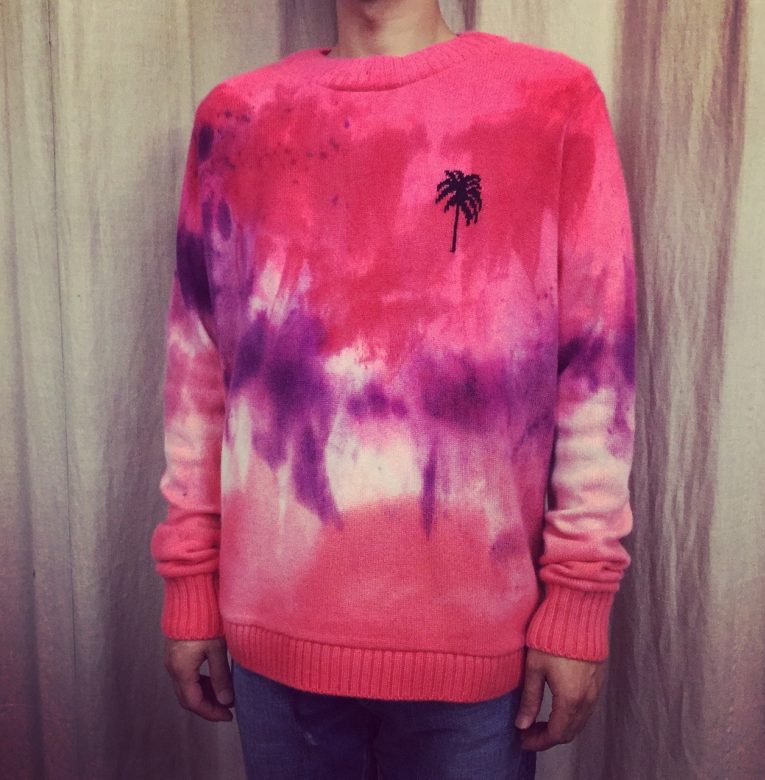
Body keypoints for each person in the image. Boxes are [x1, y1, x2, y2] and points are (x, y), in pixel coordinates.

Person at [150, 0, 637, 777]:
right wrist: (189, 579)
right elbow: (199, 371)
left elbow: (597, 370)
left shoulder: (550, 103)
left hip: (476, 647)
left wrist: (579, 599)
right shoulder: (236, 119)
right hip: (277, 641)